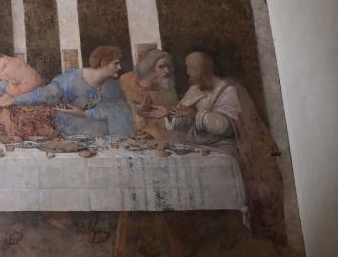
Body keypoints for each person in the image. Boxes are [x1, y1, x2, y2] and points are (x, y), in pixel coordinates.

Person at [167, 51, 286, 244]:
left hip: (225, 149)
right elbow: (180, 121)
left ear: (203, 68)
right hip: (200, 148)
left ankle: (228, 228)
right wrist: (167, 114)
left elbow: (225, 127)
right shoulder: (195, 89)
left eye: (191, 66)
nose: (187, 71)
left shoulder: (228, 90)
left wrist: (196, 116)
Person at [8, 45, 134, 138]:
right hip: (72, 132)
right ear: (102, 63)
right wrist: (15, 99)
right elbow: (44, 94)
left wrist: (85, 114)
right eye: (116, 63)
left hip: (101, 135)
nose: (120, 67)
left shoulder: (112, 86)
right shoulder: (72, 78)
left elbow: (117, 111)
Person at [0, 42, 56, 139]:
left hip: (26, 115)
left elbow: (36, 86)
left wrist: (3, 86)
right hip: (0, 121)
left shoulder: (13, 64)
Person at [119, 48, 179, 142]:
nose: (167, 70)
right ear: (150, 68)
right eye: (161, 66)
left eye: (169, 66)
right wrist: (137, 109)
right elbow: (121, 111)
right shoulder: (127, 81)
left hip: (159, 140)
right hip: (131, 138)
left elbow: (176, 121)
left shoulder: (169, 88)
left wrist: (168, 113)